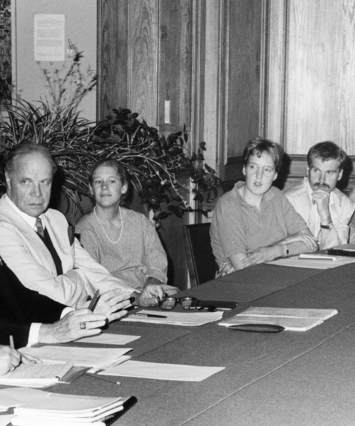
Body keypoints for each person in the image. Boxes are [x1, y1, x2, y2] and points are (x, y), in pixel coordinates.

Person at [0, 143, 154, 346]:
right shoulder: (3, 226)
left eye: (45, 182)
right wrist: (79, 277)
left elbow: (91, 269)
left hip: (73, 326)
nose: (37, 193)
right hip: (29, 339)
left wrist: (133, 296)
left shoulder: (56, 219)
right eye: (26, 182)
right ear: (9, 180)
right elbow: (47, 292)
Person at [76, 159, 177, 306]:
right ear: (91, 189)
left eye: (111, 181)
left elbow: (157, 264)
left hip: (148, 289)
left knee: (178, 298)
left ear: (123, 187)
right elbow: (95, 280)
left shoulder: (140, 222)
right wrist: (136, 297)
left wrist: (150, 286)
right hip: (113, 298)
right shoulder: (84, 230)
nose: (104, 187)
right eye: (98, 182)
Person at [210, 138, 317, 274]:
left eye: (267, 170)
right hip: (240, 285)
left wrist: (276, 250)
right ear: (244, 169)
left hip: (277, 274)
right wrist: (288, 243)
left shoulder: (276, 196)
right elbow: (242, 267)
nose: (258, 176)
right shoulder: (228, 205)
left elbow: (310, 244)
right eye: (253, 167)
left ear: (275, 175)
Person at [285, 141, 355, 249]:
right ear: (307, 170)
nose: (322, 180)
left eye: (329, 172)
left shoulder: (345, 204)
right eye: (316, 171)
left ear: (340, 174)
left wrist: (325, 216)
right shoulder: (288, 201)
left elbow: (337, 252)